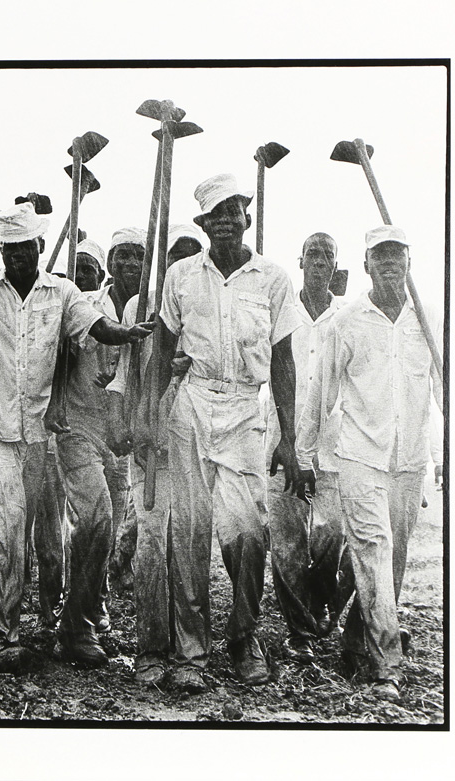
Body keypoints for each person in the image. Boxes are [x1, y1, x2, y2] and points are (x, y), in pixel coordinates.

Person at [0, 202, 154, 673]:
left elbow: (95, 327)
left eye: (25, 249)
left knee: (16, 527)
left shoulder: (63, 292)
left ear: (39, 246)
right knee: (10, 520)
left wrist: (126, 333)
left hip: (36, 431)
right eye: (9, 249)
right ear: (2, 250)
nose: (18, 257)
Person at [146, 175, 301, 692]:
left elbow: (283, 362)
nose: (228, 222)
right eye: (217, 215)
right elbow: (161, 351)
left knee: (248, 531)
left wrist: (290, 439)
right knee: (188, 531)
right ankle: (191, 650)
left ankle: (244, 635)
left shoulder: (273, 279)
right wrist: (148, 413)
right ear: (204, 224)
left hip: (243, 408)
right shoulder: (181, 276)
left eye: (235, 212)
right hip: (191, 402)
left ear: (247, 219)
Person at [295, 226, 442, 703]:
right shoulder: (349, 322)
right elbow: (322, 394)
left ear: (410, 262)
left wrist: (447, 457)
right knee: (374, 554)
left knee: (391, 563)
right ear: (364, 266)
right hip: (360, 457)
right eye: (380, 257)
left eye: (397, 255)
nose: (389, 264)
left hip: (409, 459)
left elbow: (446, 392)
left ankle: (357, 637)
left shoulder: (429, 322)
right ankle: (387, 667)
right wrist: (304, 450)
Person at [106, 223, 203, 685]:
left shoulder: (204, 303)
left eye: (191, 255)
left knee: (187, 545)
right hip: (148, 442)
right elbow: (125, 374)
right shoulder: (138, 306)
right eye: (174, 256)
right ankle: (150, 648)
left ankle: (190, 652)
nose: (182, 264)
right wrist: (124, 421)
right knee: (150, 541)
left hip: (192, 443)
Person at [265, 232, 347, 663]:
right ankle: (299, 631)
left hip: (333, 447)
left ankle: (320, 602)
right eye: (312, 253)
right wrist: (285, 440)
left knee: (332, 531)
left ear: (336, 265)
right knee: (288, 543)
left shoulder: (346, 317)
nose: (319, 261)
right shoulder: (282, 311)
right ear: (300, 260)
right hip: (284, 441)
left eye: (327, 255)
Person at [48, 237, 127, 665]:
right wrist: (57, 400)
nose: (133, 262)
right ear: (112, 265)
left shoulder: (149, 305)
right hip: (77, 426)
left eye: (139, 254)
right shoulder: (81, 307)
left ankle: (93, 607)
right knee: (96, 515)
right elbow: (59, 355)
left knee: (106, 529)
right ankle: (73, 626)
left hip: (121, 437)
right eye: (124, 255)